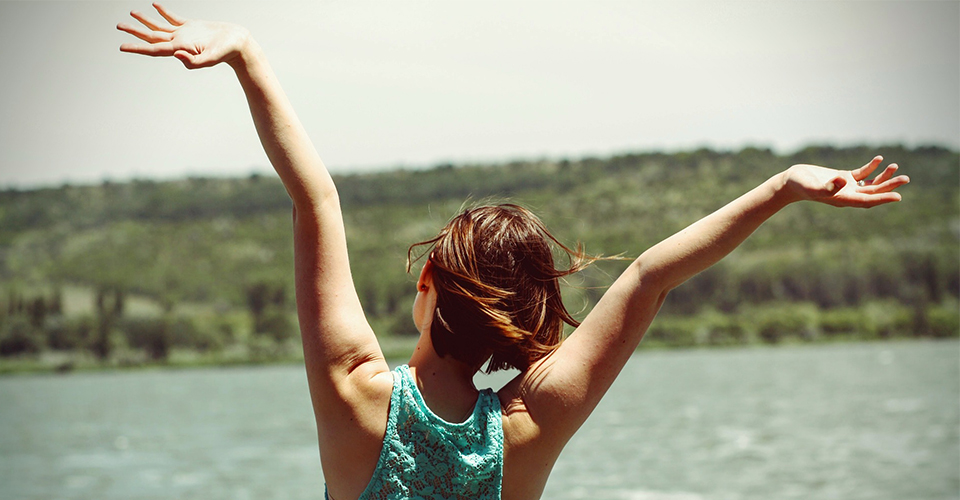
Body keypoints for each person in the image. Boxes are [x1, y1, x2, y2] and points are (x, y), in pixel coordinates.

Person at [117, 5, 909, 500]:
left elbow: (314, 197)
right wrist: (781, 188)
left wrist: (246, 53)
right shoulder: (530, 428)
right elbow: (652, 274)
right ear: (533, 320)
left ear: (426, 280)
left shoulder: (357, 400)